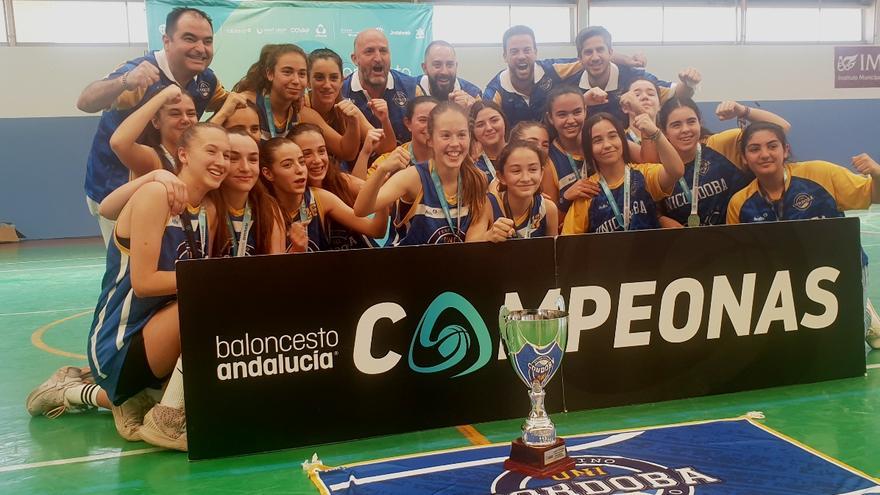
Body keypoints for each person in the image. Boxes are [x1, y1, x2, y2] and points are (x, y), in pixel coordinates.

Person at [27, 123, 231, 452]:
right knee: (206, 301)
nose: (222, 160)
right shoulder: (156, 195)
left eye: (228, 155)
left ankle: (72, 392)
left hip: (154, 336)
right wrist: (216, 276)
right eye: (212, 151)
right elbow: (145, 282)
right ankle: (164, 418)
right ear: (183, 154)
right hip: (118, 340)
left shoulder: (208, 210)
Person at [78, 7, 227, 245]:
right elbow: (85, 101)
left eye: (207, 41)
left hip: (166, 184)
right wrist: (125, 81)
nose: (200, 48)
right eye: (189, 38)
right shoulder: (140, 72)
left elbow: (233, 104)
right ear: (167, 41)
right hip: (116, 185)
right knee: (133, 267)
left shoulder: (206, 80)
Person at [726, 123, 880, 351]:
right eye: (755, 149)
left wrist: (876, 173)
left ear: (785, 150)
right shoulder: (740, 203)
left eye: (772, 146)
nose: (765, 154)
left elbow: (872, 196)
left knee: (841, 347)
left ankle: (864, 318)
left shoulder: (821, 174)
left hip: (842, 269)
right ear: (745, 159)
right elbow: (739, 256)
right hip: (785, 279)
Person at [354, 102, 488, 245]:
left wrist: (489, 236)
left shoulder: (477, 179)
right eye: (445, 135)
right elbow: (361, 210)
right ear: (430, 140)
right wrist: (382, 170)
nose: (455, 143)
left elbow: (472, 245)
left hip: (453, 265)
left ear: (470, 137)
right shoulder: (414, 177)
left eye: (462, 135)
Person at [659, 98, 790, 227]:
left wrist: (743, 111)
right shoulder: (660, 167)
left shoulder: (719, 144)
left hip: (745, 235)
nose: (685, 129)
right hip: (692, 244)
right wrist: (660, 218)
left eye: (691, 122)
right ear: (665, 132)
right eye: (676, 125)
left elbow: (781, 127)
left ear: (700, 123)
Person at [483, 25, 645, 128]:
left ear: (535, 52)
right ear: (505, 56)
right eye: (514, 51)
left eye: (526, 50)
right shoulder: (496, 89)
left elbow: (590, 57)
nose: (521, 56)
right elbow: (483, 118)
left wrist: (628, 60)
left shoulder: (553, 70)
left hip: (553, 147)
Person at [233, 44, 363, 161]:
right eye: (287, 72)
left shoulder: (302, 114)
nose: (296, 80)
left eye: (301, 74)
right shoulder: (245, 104)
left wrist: (352, 123)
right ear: (270, 73)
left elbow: (345, 151)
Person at [562, 113, 684, 234]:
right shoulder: (588, 191)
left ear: (622, 139)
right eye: (597, 140)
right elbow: (568, 243)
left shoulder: (643, 174)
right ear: (589, 149)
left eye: (613, 136)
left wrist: (655, 134)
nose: (607, 145)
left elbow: (676, 171)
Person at [259, 138, 388, 252]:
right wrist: (296, 251)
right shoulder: (267, 208)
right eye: (287, 165)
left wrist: (380, 192)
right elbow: (276, 273)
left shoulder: (320, 198)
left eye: (302, 162)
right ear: (268, 173)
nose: (299, 170)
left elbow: (376, 230)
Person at [567, 26, 701, 126]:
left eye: (600, 50)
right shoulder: (569, 83)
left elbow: (679, 93)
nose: (595, 57)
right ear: (580, 58)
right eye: (588, 52)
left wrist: (689, 83)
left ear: (610, 52)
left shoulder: (635, 77)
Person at [289, 124, 380, 250]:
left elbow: (375, 197)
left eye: (321, 151)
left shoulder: (340, 180)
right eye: (307, 154)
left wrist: (368, 156)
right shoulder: (292, 197)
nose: (318, 160)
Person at [307, 48, 396, 154]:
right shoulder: (302, 109)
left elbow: (385, 148)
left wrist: (385, 120)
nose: (327, 85)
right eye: (319, 78)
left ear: (341, 82)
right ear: (307, 82)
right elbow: (346, 153)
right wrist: (353, 124)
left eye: (334, 78)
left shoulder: (346, 107)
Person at [213, 131, 287, 256]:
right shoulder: (207, 207)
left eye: (253, 159)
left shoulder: (269, 207)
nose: (245, 168)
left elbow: (277, 267)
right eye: (234, 158)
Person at [342, 29, 417, 144]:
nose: (378, 58)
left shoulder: (412, 89)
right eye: (369, 51)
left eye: (383, 51)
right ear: (355, 59)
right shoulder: (340, 92)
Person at [109, 85, 197, 175]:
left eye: (191, 114)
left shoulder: (201, 155)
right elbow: (119, 143)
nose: (186, 119)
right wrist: (163, 96)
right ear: (156, 121)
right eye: (175, 114)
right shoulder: (153, 160)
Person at [480, 140, 559, 241]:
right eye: (516, 171)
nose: (526, 178)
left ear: (541, 173)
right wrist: (488, 236)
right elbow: (469, 246)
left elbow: (554, 253)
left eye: (533, 169)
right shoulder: (487, 205)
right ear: (501, 177)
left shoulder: (548, 209)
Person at [542, 86, 598, 212]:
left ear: (585, 111)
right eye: (562, 115)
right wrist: (566, 198)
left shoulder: (601, 139)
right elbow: (551, 221)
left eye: (577, 112)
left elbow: (646, 160)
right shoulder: (548, 161)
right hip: (572, 229)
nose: (571, 120)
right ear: (550, 118)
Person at [355, 96, 439, 179]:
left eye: (435, 120)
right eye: (423, 120)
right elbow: (358, 190)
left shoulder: (449, 158)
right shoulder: (390, 160)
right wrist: (365, 153)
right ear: (408, 123)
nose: (429, 126)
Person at [416, 40, 482, 107]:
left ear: (456, 66)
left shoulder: (472, 94)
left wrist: (470, 112)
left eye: (450, 65)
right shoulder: (410, 91)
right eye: (437, 65)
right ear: (425, 68)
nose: (444, 72)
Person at [469, 100, 508, 185]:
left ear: (504, 120)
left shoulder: (522, 153)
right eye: (480, 125)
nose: (489, 128)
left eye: (494, 120)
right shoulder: (473, 168)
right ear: (473, 131)